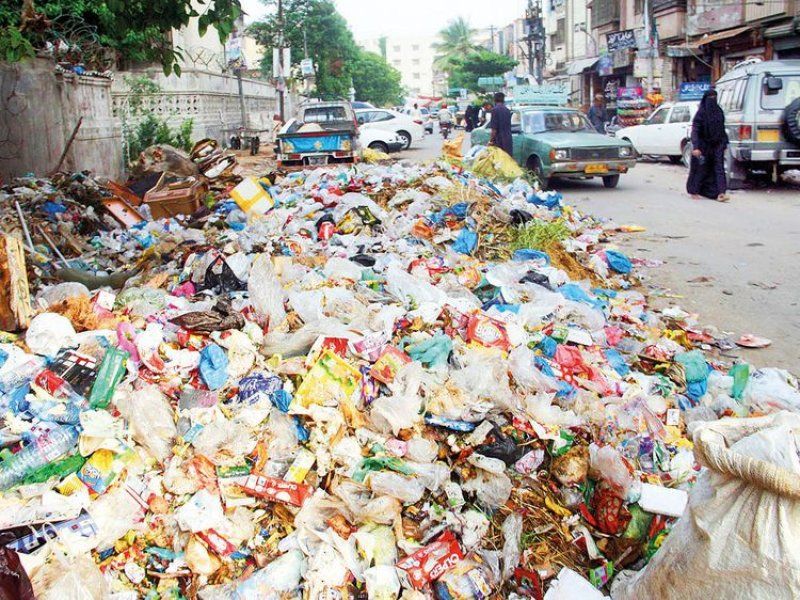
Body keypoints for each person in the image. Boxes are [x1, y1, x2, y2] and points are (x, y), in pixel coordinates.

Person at [686, 89, 730, 202]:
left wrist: (724, 144)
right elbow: (695, 130)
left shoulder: (719, 111)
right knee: (701, 168)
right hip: (703, 145)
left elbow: (721, 129)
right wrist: (696, 147)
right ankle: (694, 191)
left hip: (718, 144)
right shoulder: (701, 113)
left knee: (719, 168)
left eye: (714, 97)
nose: (712, 100)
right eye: (710, 98)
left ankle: (721, 192)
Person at [489, 92, 513, 156]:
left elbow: (494, 129)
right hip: (508, 139)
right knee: (507, 159)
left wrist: (491, 141)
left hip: (499, 140)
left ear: (494, 100)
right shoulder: (507, 110)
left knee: (499, 161)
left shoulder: (494, 110)